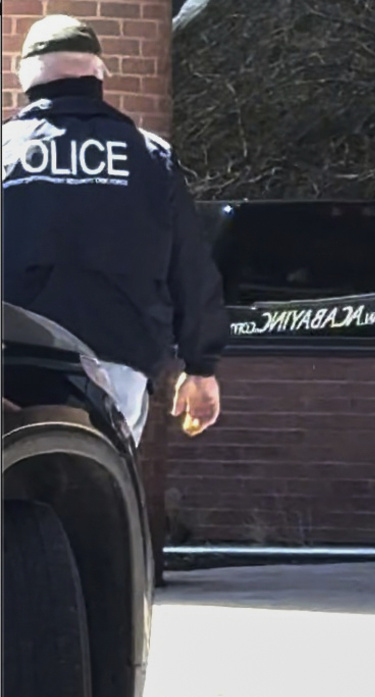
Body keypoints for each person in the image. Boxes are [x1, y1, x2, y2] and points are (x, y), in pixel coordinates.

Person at [3, 15, 229, 442]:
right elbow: (191, 266)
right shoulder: (150, 158)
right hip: (117, 365)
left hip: (12, 364)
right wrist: (201, 366)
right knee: (101, 495)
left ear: (25, 76)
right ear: (98, 73)